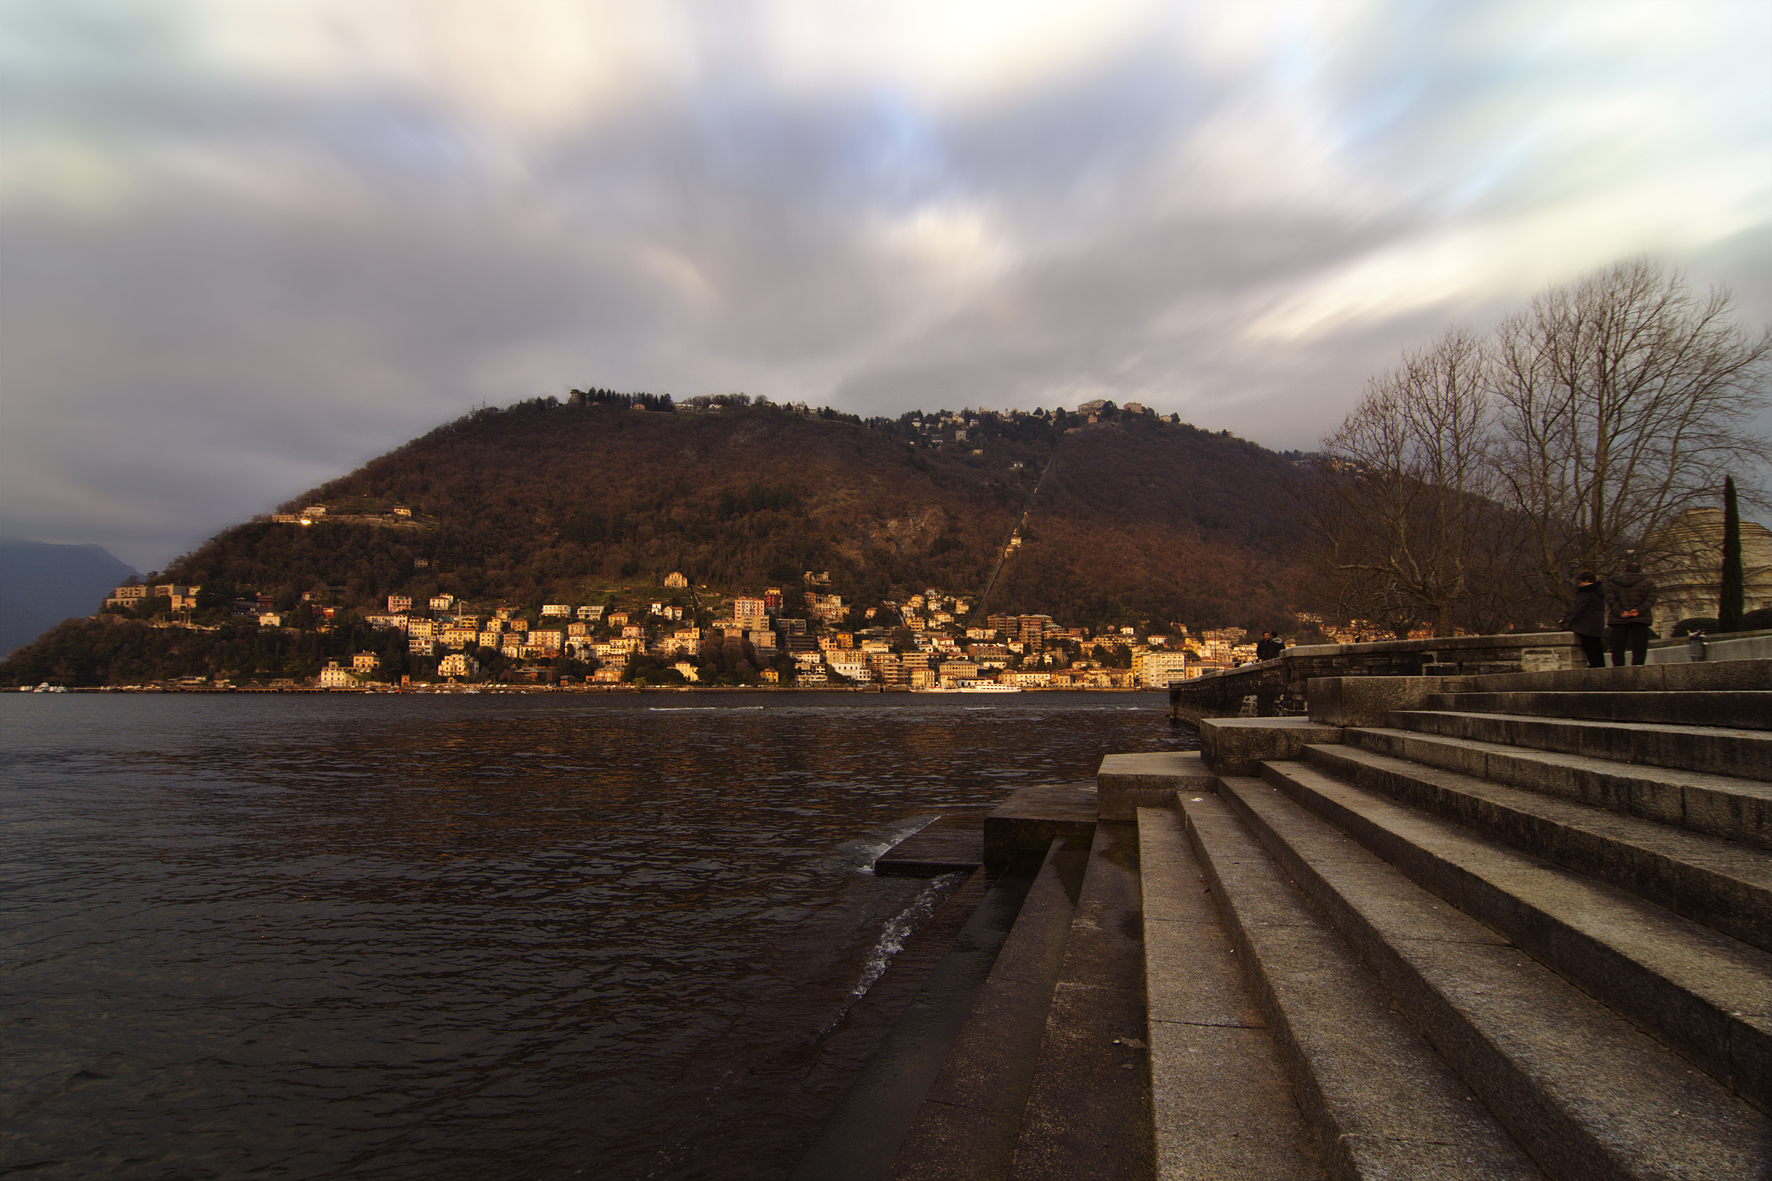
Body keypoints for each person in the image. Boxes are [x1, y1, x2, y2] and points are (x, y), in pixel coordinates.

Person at [1607, 560, 1657, 666]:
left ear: (1625, 570)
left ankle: (1618, 669)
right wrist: (1639, 610)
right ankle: (1638, 668)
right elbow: (1651, 599)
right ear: (1639, 571)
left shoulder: (1613, 583)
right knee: (1640, 646)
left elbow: (1610, 599)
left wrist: (1620, 612)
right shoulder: (1649, 583)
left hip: (1619, 618)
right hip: (1640, 618)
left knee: (1618, 646)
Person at [1560, 571, 1606, 668]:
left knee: (1589, 647)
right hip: (1597, 623)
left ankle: (1594, 666)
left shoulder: (1586, 592)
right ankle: (1600, 666)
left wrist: (1570, 620)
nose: (1580, 584)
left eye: (1581, 582)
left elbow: (1579, 609)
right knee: (1597, 646)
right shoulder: (1599, 591)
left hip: (1586, 624)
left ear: (1587, 581)